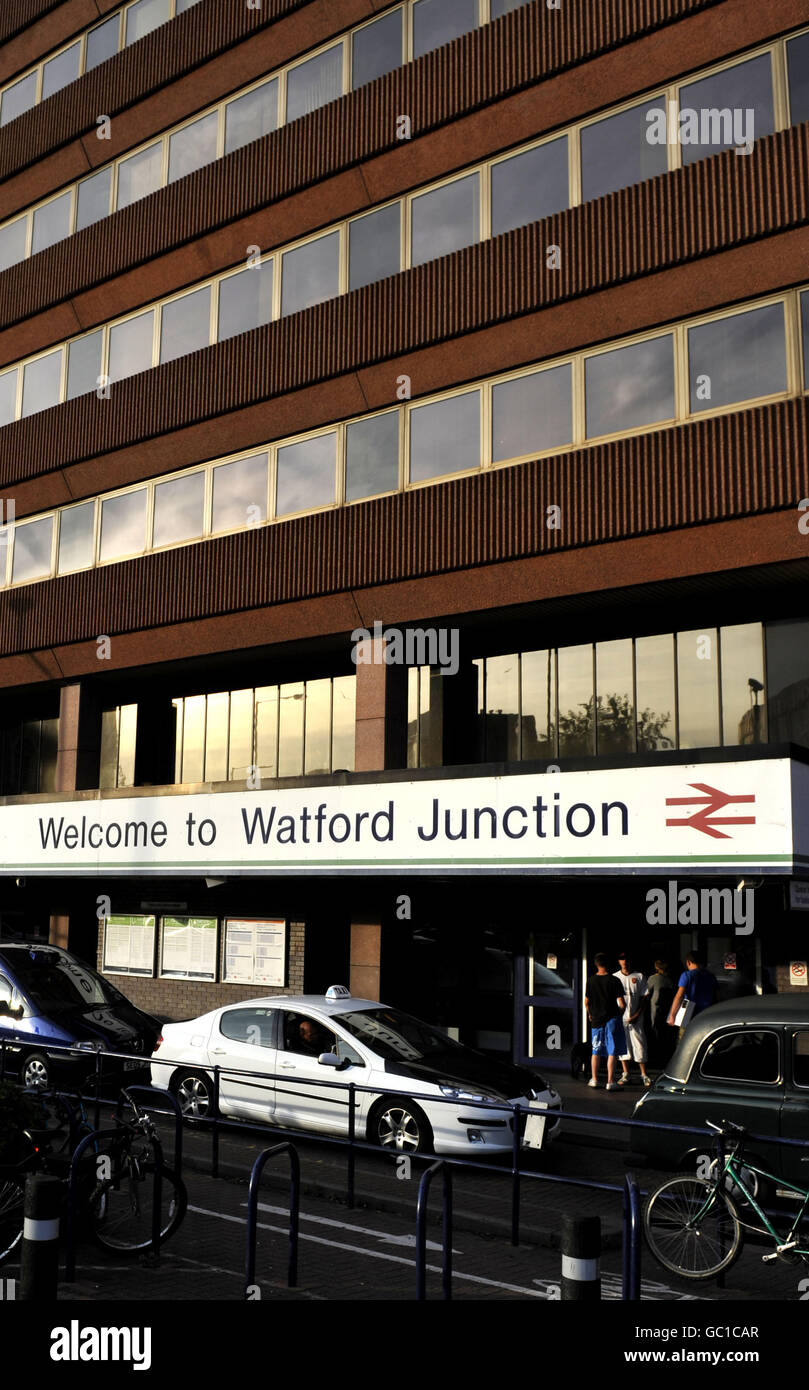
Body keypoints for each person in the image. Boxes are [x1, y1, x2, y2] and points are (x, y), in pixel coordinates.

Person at [584, 953, 626, 1091]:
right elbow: (622, 1003)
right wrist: (618, 1014)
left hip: (596, 1019)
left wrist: (590, 1015)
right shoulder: (615, 981)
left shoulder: (590, 981)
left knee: (595, 1050)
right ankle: (610, 1081)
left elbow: (587, 1002)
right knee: (612, 1051)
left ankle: (595, 1079)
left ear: (596, 964)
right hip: (612, 1019)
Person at [613, 952, 651, 1087]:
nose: (624, 962)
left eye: (626, 959)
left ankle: (644, 1074)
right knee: (623, 1047)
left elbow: (645, 997)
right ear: (618, 961)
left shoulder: (639, 976)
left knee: (640, 1045)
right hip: (620, 1019)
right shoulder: (614, 977)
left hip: (636, 1019)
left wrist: (637, 1015)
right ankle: (626, 1073)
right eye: (622, 959)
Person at [667, 951, 718, 1036]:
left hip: (688, 1011)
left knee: (684, 1038)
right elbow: (717, 996)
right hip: (707, 1012)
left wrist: (672, 1015)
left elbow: (679, 996)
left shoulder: (687, 975)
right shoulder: (711, 976)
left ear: (688, 962)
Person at [645, 960, 676, 1066]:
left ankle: (657, 1056)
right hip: (667, 1009)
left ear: (656, 967)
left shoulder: (653, 978)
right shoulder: (669, 979)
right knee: (664, 1032)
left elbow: (646, 993)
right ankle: (663, 1056)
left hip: (657, 1008)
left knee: (656, 1031)